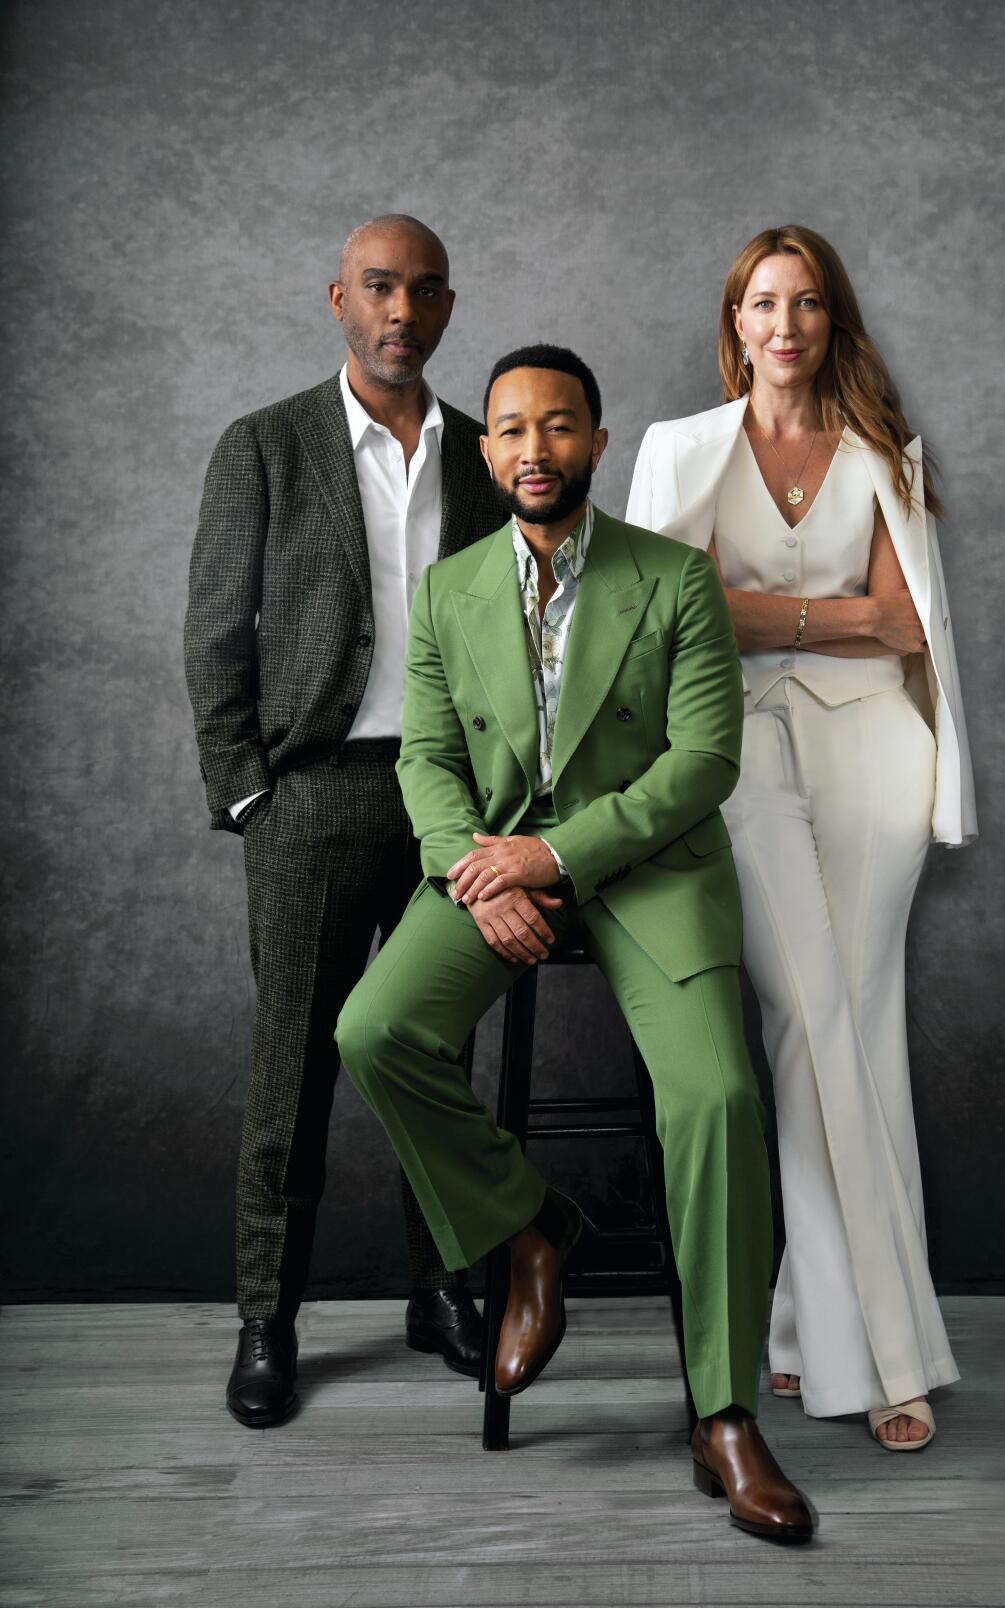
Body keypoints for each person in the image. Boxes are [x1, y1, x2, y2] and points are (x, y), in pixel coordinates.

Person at [335, 345, 817, 1541]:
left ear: (598, 444)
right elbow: (426, 761)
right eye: (509, 429)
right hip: (490, 865)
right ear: (483, 449)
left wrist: (552, 858)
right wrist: (467, 867)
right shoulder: (449, 594)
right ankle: (532, 1226)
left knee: (714, 1101)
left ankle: (724, 1414)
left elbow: (703, 763)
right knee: (376, 1029)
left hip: (645, 874)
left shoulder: (674, 579)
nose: (534, 449)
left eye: (559, 427)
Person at [626, 225, 977, 1451]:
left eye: (808, 302)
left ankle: (795, 1328)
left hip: (878, 753)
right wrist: (833, 615)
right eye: (763, 304)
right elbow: (675, 626)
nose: (786, 324)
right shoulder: (680, 454)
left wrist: (762, 613)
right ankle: (886, 1355)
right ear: (736, 326)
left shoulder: (886, 454)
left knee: (855, 1026)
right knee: (811, 1018)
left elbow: (907, 629)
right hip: (734, 759)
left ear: (833, 322)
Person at [184, 214, 505, 1427]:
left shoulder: (484, 456)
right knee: (293, 1073)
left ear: (448, 306)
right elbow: (215, 630)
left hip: (452, 805)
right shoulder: (265, 446)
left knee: (437, 1068)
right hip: (312, 795)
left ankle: (445, 1291)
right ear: (338, 297)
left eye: (424, 292)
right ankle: (268, 1318)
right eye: (380, 287)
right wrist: (250, 792)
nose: (401, 312)